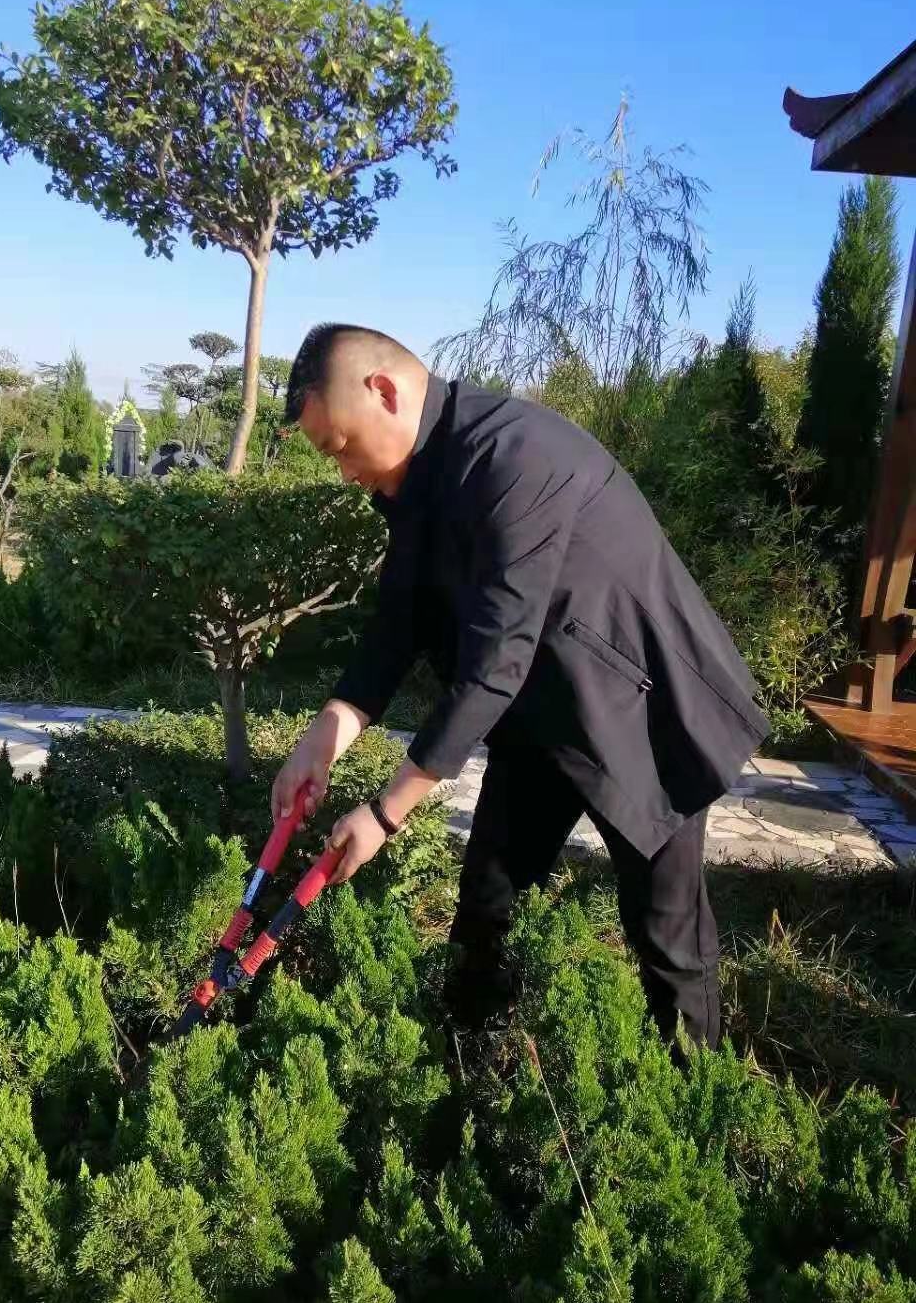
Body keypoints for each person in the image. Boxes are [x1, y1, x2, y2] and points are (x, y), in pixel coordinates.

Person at [271, 324, 770, 1045]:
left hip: (638, 713)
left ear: (382, 391)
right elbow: (397, 626)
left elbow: (496, 658)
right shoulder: (414, 483)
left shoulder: (515, 453)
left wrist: (384, 814)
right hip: (540, 723)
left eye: (339, 448)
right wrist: (325, 735)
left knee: (667, 937)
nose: (344, 473)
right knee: (488, 907)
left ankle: (693, 1113)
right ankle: (473, 1067)